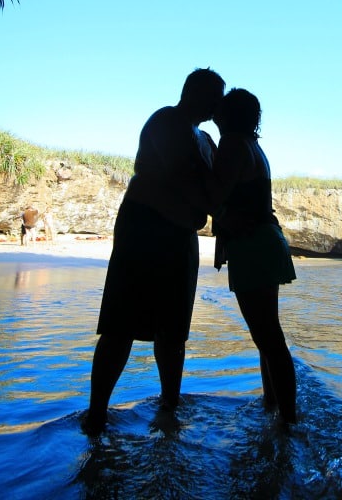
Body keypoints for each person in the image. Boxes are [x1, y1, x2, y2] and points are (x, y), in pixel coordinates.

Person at [82, 67, 225, 435]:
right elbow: (185, 181)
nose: (217, 104)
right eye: (214, 96)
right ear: (194, 93)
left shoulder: (206, 138)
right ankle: (97, 412)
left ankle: (169, 407)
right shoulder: (166, 120)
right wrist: (206, 202)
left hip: (179, 235)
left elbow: (208, 188)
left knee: (173, 330)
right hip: (144, 229)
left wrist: (205, 202)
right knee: (120, 324)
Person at [207, 88, 298, 425]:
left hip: (253, 245)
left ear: (227, 115)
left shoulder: (231, 144)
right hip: (266, 241)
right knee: (267, 334)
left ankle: (288, 420)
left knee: (268, 337)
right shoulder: (253, 146)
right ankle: (273, 407)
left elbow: (214, 194)